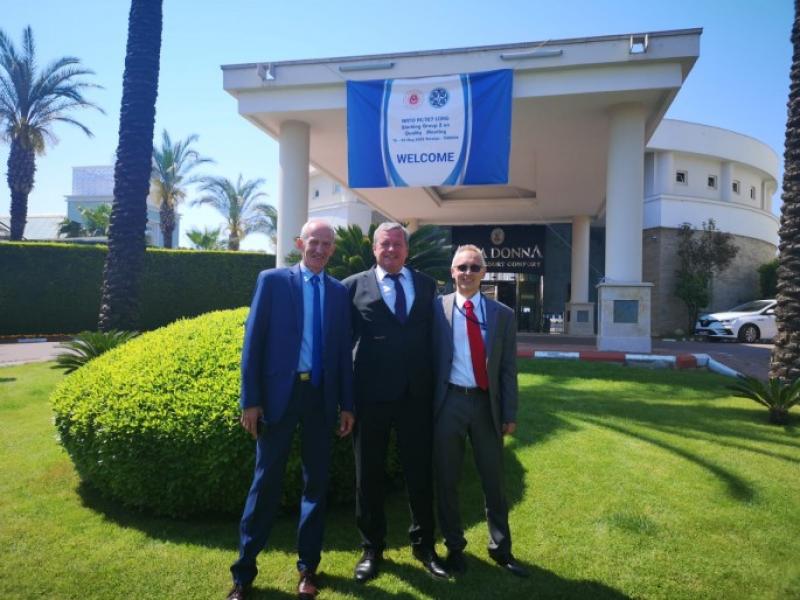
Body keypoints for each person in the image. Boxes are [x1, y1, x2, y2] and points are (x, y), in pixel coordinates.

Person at [227, 220, 355, 600]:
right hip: (278, 399)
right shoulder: (272, 282)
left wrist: (347, 405)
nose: (320, 249)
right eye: (314, 242)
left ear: (333, 249)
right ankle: (243, 574)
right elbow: (253, 343)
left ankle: (308, 570)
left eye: (326, 244)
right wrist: (250, 400)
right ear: (300, 243)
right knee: (265, 483)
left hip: (320, 399)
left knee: (315, 486)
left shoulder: (338, 292)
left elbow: (342, 353)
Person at [343, 222, 448, 582]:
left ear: (407, 250)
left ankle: (425, 546)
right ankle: (372, 548)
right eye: (384, 244)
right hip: (369, 398)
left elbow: (436, 339)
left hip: (416, 397)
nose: (391, 250)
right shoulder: (352, 287)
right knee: (368, 475)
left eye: (397, 244)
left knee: (419, 473)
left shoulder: (426, 285)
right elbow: (341, 345)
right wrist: (344, 399)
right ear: (374, 249)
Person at [432, 244, 528, 578]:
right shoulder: (436, 309)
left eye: (474, 267)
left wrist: (509, 413)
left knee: (494, 479)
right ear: (452, 272)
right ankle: (454, 547)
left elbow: (508, 369)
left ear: (484, 273)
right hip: (449, 403)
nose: (468, 273)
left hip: (486, 405)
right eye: (462, 267)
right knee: (447, 478)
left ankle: (501, 549)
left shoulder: (503, 314)